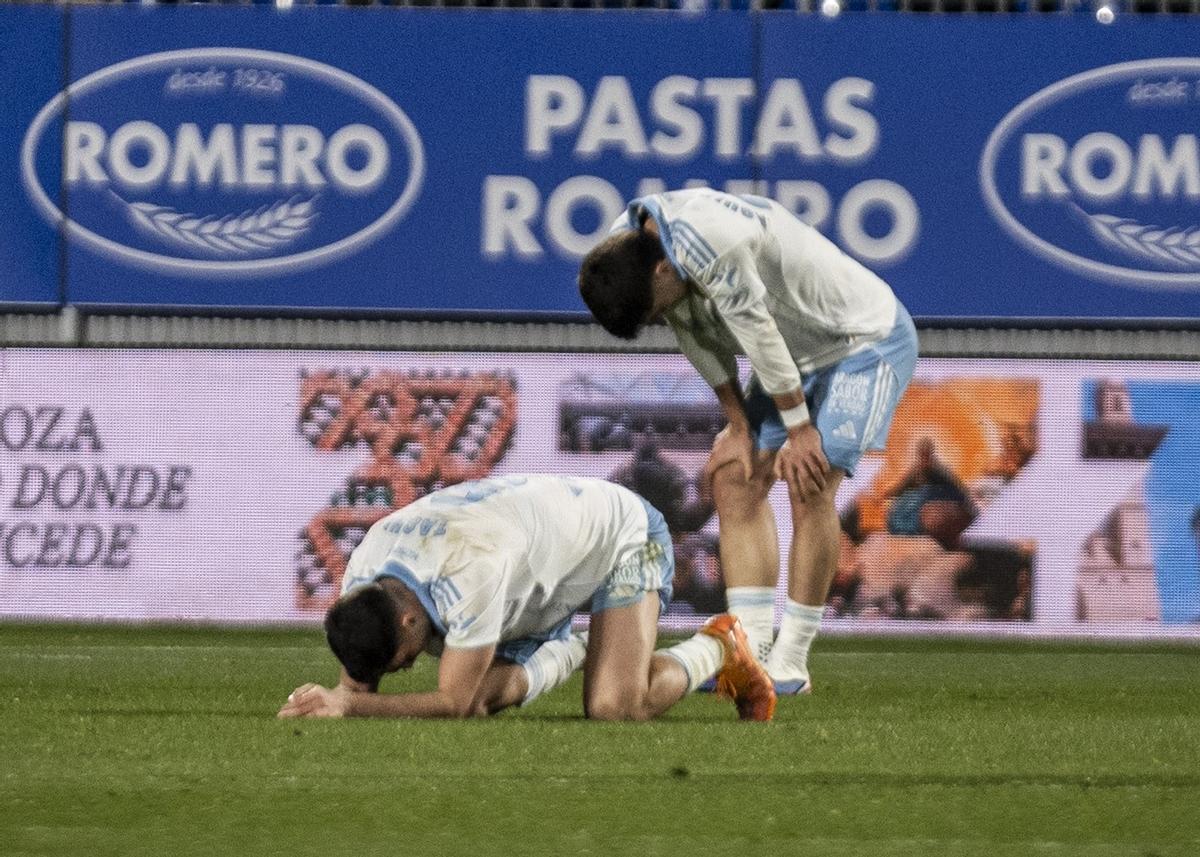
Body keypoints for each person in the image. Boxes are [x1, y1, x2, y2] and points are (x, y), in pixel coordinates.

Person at [578, 187, 919, 694]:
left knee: (810, 477)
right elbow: (690, 332)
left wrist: (801, 432)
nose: (656, 321)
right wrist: (737, 425)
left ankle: (793, 660)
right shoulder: (625, 251)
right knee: (733, 476)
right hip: (794, 353)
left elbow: (759, 336)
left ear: (662, 273)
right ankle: (749, 649)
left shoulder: (710, 244)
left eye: (652, 312)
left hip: (862, 340)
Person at [278, 474, 774, 721]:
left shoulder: (468, 571)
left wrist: (351, 707)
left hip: (621, 536)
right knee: (485, 699)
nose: (403, 668)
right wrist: (338, 699)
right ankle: (573, 648)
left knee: (615, 706)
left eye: (400, 660)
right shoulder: (363, 579)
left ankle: (722, 646)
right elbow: (358, 679)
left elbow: (451, 701)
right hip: (533, 567)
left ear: (408, 622)